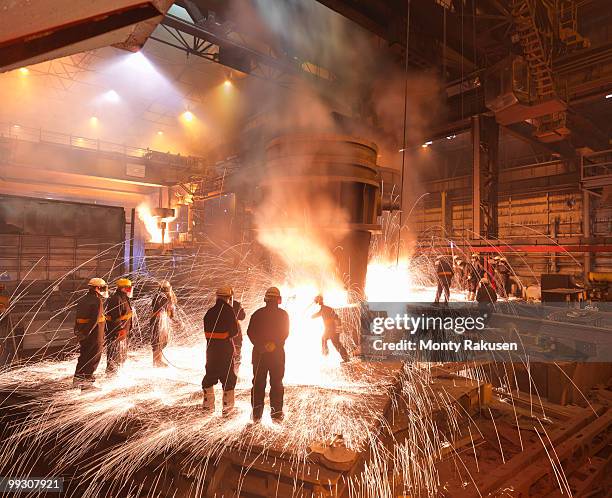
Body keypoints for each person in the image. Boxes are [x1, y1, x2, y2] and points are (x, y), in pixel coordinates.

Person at [247, 287, 289, 422]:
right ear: (278, 299)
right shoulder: (283, 315)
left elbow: (250, 332)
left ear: (265, 299)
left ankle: (256, 414)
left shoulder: (257, 314)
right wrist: (274, 344)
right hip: (277, 355)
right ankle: (276, 414)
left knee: (258, 383)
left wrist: (261, 346)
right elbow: (285, 333)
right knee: (276, 383)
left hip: (259, 354)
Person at [202, 286, 239, 416]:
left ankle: (208, 406)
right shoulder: (229, 311)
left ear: (217, 296)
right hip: (224, 351)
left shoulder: (210, 312)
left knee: (210, 376)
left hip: (211, 351)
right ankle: (227, 408)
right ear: (228, 297)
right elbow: (235, 331)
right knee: (228, 377)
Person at [73, 278, 108, 389]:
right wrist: (87, 333)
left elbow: (78, 317)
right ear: (97, 288)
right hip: (94, 333)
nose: (104, 290)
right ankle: (87, 381)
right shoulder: (97, 301)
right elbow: (95, 319)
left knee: (84, 355)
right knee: (93, 356)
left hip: (83, 332)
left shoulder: (83, 299)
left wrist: (79, 332)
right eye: (102, 288)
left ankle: (78, 378)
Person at [105, 278, 133, 374]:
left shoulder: (124, 297)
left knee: (120, 353)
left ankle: (118, 371)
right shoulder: (116, 299)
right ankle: (111, 373)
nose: (130, 290)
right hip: (117, 332)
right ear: (123, 288)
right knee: (114, 353)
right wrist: (119, 329)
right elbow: (113, 317)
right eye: (129, 288)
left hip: (123, 331)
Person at [312, 295, 349, 362]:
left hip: (332, 329)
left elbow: (336, 317)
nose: (318, 302)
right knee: (328, 340)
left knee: (334, 343)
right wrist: (313, 316)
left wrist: (338, 328)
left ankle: (326, 353)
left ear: (320, 300)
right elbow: (319, 313)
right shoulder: (323, 309)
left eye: (318, 300)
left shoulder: (326, 309)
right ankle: (344, 357)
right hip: (330, 329)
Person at [150, 280, 176, 367]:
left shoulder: (166, 297)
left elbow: (170, 310)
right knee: (157, 341)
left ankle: (159, 359)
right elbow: (158, 310)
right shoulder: (158, 297)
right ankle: (157, 361)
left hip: (163, 321)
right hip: (157, 322)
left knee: (163, 341)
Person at [232, 298, 246, 375]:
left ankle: (226, 376)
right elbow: (242, 316)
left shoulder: (221, 307)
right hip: (236, 337)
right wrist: (240, 308)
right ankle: (235, 375)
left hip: (223, 340)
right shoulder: (236, 304)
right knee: (236, 357)